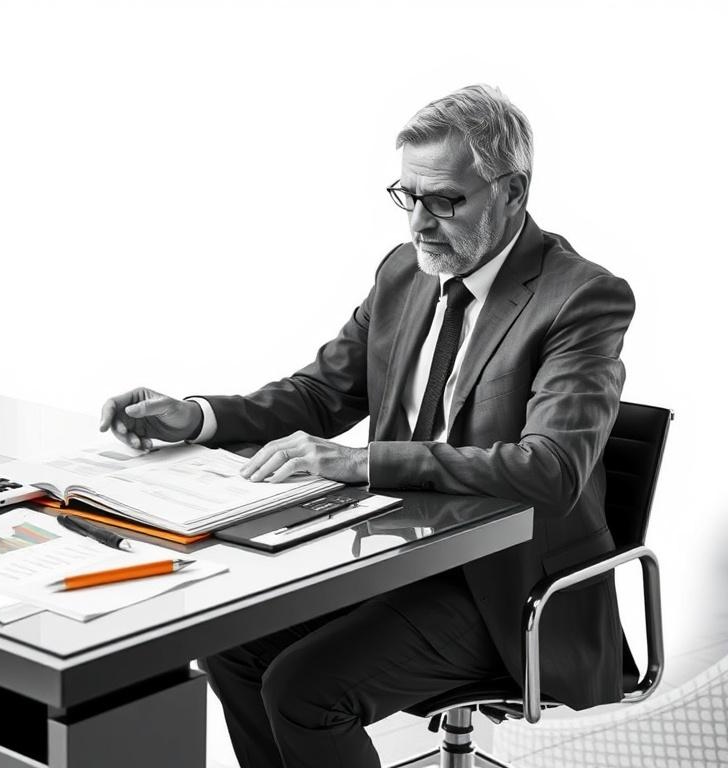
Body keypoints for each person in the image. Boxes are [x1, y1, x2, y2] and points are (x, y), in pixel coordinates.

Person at [98, 84, 635, 768]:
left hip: (507, 585)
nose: (418, 224)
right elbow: (321, 394)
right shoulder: (403, 274)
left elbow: (550, 470)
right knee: (230, 644)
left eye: (444, 200)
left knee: (303, 689)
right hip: (395, 555)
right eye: (406, 196)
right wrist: (198, 417)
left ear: (513, 191)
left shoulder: (580, 297)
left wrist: (362, 462)